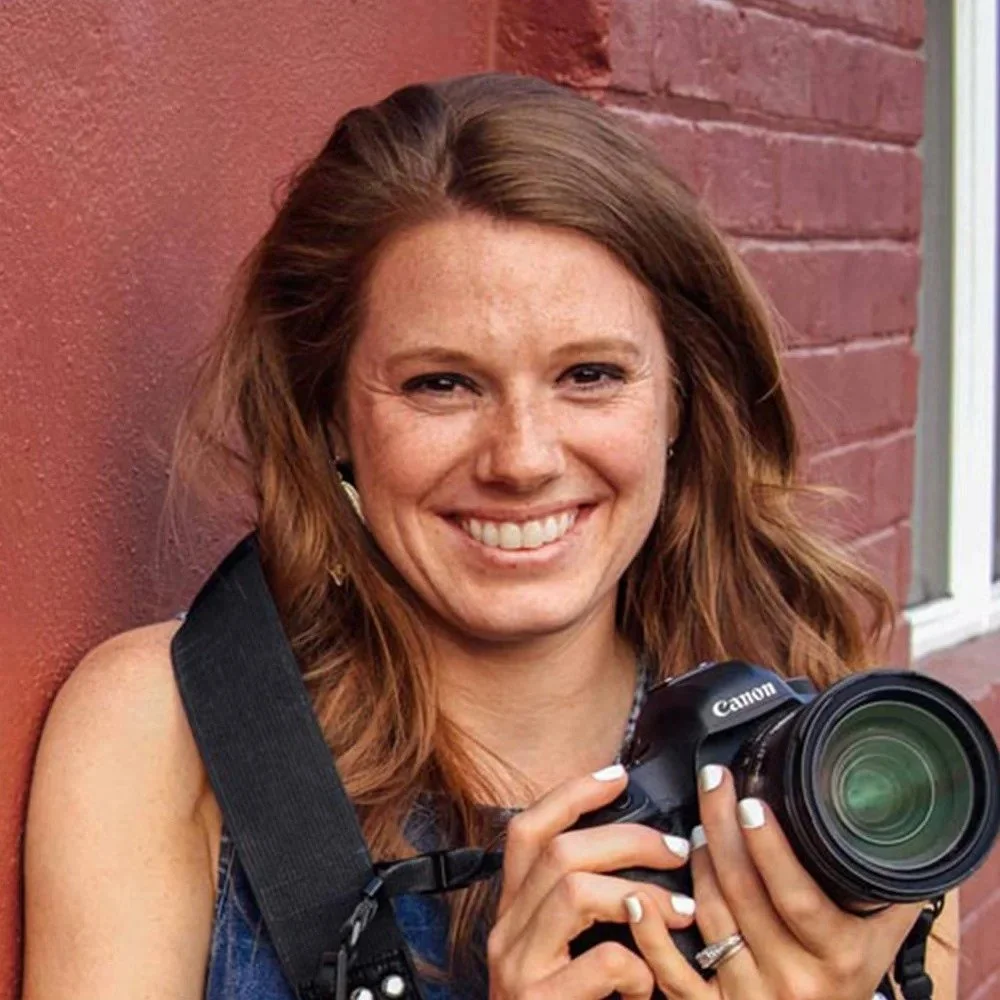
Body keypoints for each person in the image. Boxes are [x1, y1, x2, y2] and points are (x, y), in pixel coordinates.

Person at [22, 73, 957, 1000]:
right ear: (333, 415)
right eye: (442, 383)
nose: (522, 458)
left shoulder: (852, 783)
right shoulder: (174, 730)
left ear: (681, 398)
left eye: (590, 374)